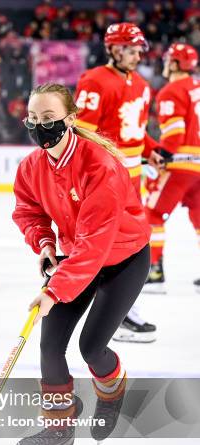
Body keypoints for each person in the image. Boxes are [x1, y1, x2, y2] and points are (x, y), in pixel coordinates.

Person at [12, 83, 151, 445]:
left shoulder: (100, 166)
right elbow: (29, 212)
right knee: (50, 346)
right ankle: (59, 429)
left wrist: (54, 292)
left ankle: (112, 389)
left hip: (123, 258)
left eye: (49, 118)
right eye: (34, 118)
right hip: (77, 260)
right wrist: (43, 245)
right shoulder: (31, 167)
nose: (40, 126)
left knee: (92, 347)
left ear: (70, 119)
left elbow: (96, 242)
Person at [75, 22, 162, 342]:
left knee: (131, 243)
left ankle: (115, 309)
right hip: (106, 180)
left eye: (140, 49)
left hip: (132, 181)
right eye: (131, 48)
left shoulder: (141, 84)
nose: (138, 54)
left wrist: (151, 151)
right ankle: (117, 313)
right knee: (112, 245)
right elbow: (83, 133)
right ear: (113, 48)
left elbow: (136, 132)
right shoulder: (94, 81)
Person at [143, 43, 200, 294]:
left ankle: (154, 270)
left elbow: (174, 135)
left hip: (181, 165)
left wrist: (160, 155)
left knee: (152, 213)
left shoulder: (171, 91)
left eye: (169, 59)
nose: (165, 63)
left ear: (176, 63)